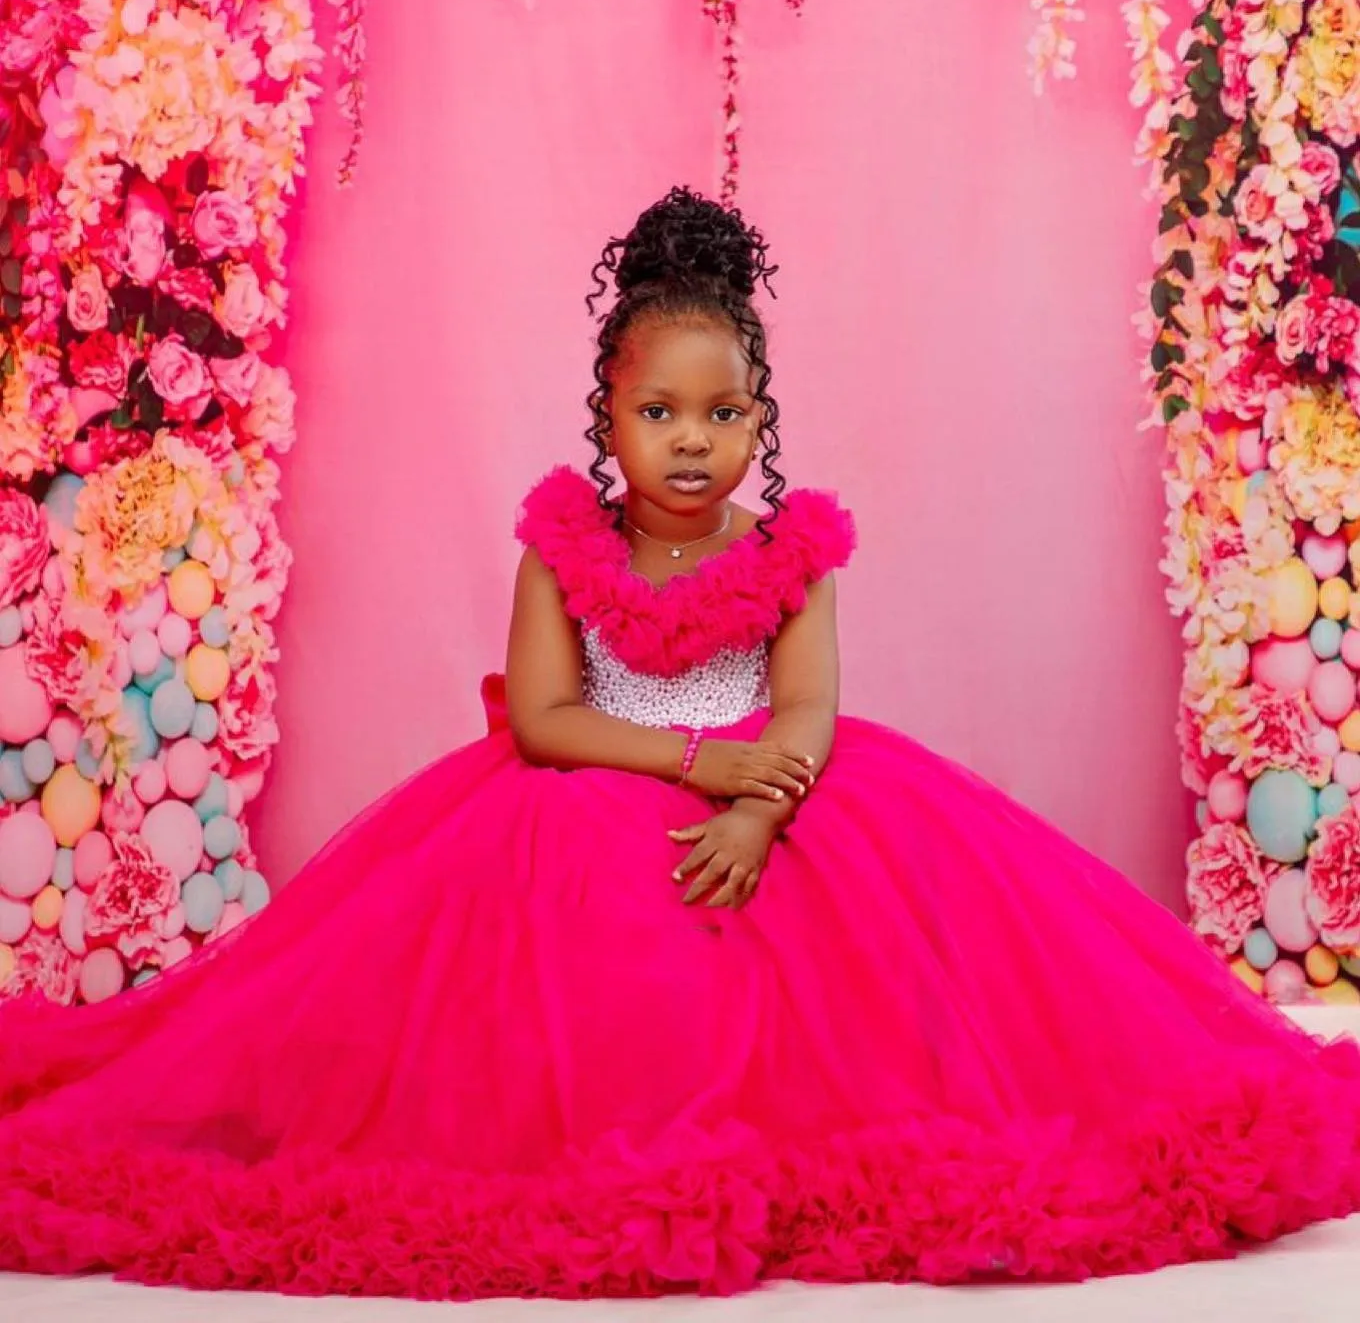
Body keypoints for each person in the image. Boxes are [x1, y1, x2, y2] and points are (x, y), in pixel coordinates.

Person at [0, 185, 1357, 1303]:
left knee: (854, 987)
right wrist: (697, 766)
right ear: (608, 418)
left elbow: (813, 709)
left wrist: (764, 803)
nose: (691, 443)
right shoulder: (562, 546)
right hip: (594, 794)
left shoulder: (791, 552)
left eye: (721, 416)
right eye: (659, 415)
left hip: (778, 790)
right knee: (593, 998)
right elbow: (543, 719)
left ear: (761, 422)